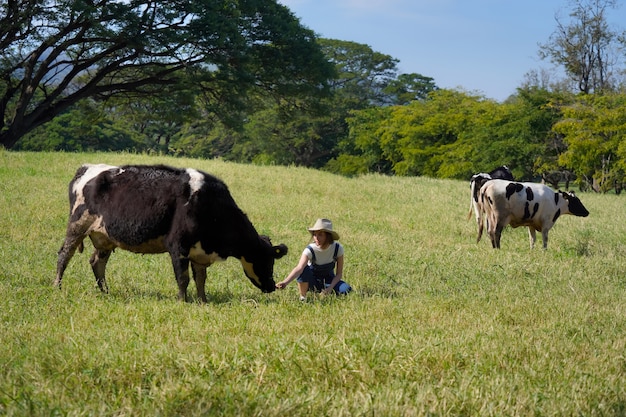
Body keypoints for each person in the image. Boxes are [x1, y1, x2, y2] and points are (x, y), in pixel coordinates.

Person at [276, 218, 352, 301]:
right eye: (315, 235)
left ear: (328, 236)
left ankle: (326, 290)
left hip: (328, 280)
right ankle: (303, 297)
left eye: (320, 235)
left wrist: (330, 288)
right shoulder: (310, 250)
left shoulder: (338, 248)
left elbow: (339, 274)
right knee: (304, 269)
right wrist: (285, 282)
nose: (316, 238)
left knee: (346, 290)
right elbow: (299, 268)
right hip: (312, 281)